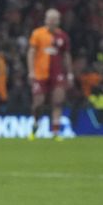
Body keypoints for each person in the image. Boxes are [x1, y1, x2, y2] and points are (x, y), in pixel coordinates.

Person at [27, 7, 73, 140]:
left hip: (57, 73)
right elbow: (31, 53)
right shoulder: (38, 34)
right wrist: (31, 71)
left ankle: (55, 132)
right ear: (45, 20)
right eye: (50, 19)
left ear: (58, 21)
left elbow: (66, 55)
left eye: (55, 19)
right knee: (38, 103)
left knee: (58, 101)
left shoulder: (63, 36)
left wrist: (69, 73)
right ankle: (35, 125)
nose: (52, 22)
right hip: (40, 73)